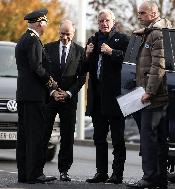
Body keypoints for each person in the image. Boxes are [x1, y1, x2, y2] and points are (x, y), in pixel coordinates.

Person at [126, 1, 171, 189]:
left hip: (152, 97)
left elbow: (158, 65)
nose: (139, 16)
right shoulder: (152, 33)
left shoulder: (157, 34)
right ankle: (160, 179)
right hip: (154, 97)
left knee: (149, 139)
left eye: (142, 13)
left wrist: (150, 91)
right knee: (158, 139)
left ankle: (150, 177)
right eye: (138, 13)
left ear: (153, 14)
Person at [84, 9, 129, 184]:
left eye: (107, 20)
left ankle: (117, 174)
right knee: (99, 138)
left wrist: (112, 52)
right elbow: (83, 69)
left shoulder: (123, 39)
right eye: (101, 21)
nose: (104, 23)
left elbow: (130, 62)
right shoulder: (92, 40)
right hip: (97, 98)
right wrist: (87, 55)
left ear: (113, 21)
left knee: (118, 138)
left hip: (116, 98)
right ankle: (101, 173)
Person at [15, 8, 57, 184]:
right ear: (41, 23)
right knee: (34, 136)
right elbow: (37, 67)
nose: (46, 25)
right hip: (34, 96)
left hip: (25, 95)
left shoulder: (24, 39)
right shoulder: (33, 41)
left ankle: (24, 174)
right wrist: (50, 82)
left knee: (24, 136)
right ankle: (34, 174)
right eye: (45, 22)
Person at [43, 20, 86, 181]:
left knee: (67, 136)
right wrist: (53, 91)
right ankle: (38, 169)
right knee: (44, 132)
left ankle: (64, 170)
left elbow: (81, 78)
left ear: (73, 34)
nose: (65, 37)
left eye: (68, 34)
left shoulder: (80, 52)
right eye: (62, 33)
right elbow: (44, 73)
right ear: (58, 32)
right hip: (50, 98)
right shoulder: (48, 48)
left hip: (69, 99)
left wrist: (68, 93)